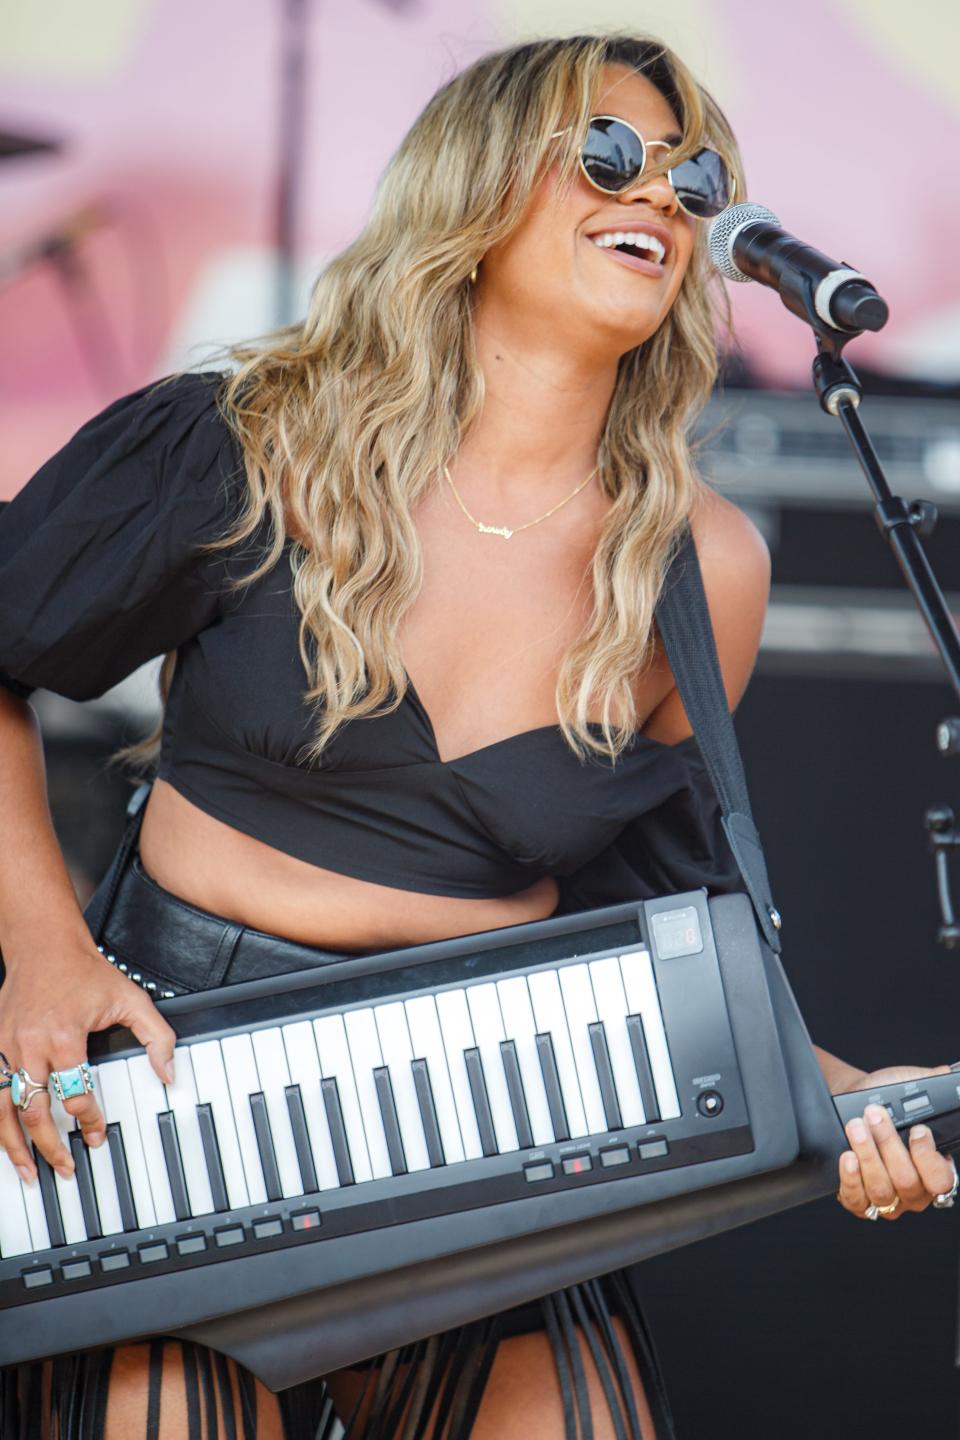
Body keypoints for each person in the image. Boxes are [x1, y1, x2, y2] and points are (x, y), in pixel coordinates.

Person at [0, 31, 954, 1440]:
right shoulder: (250, 440)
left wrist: (851, 1103)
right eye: (608, 152)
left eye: (693, 177)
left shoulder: (698, 566)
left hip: (493, 1125)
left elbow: (663, 908)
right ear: (477, 187)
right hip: (173, 1089)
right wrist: (42, 955)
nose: (661, 195)